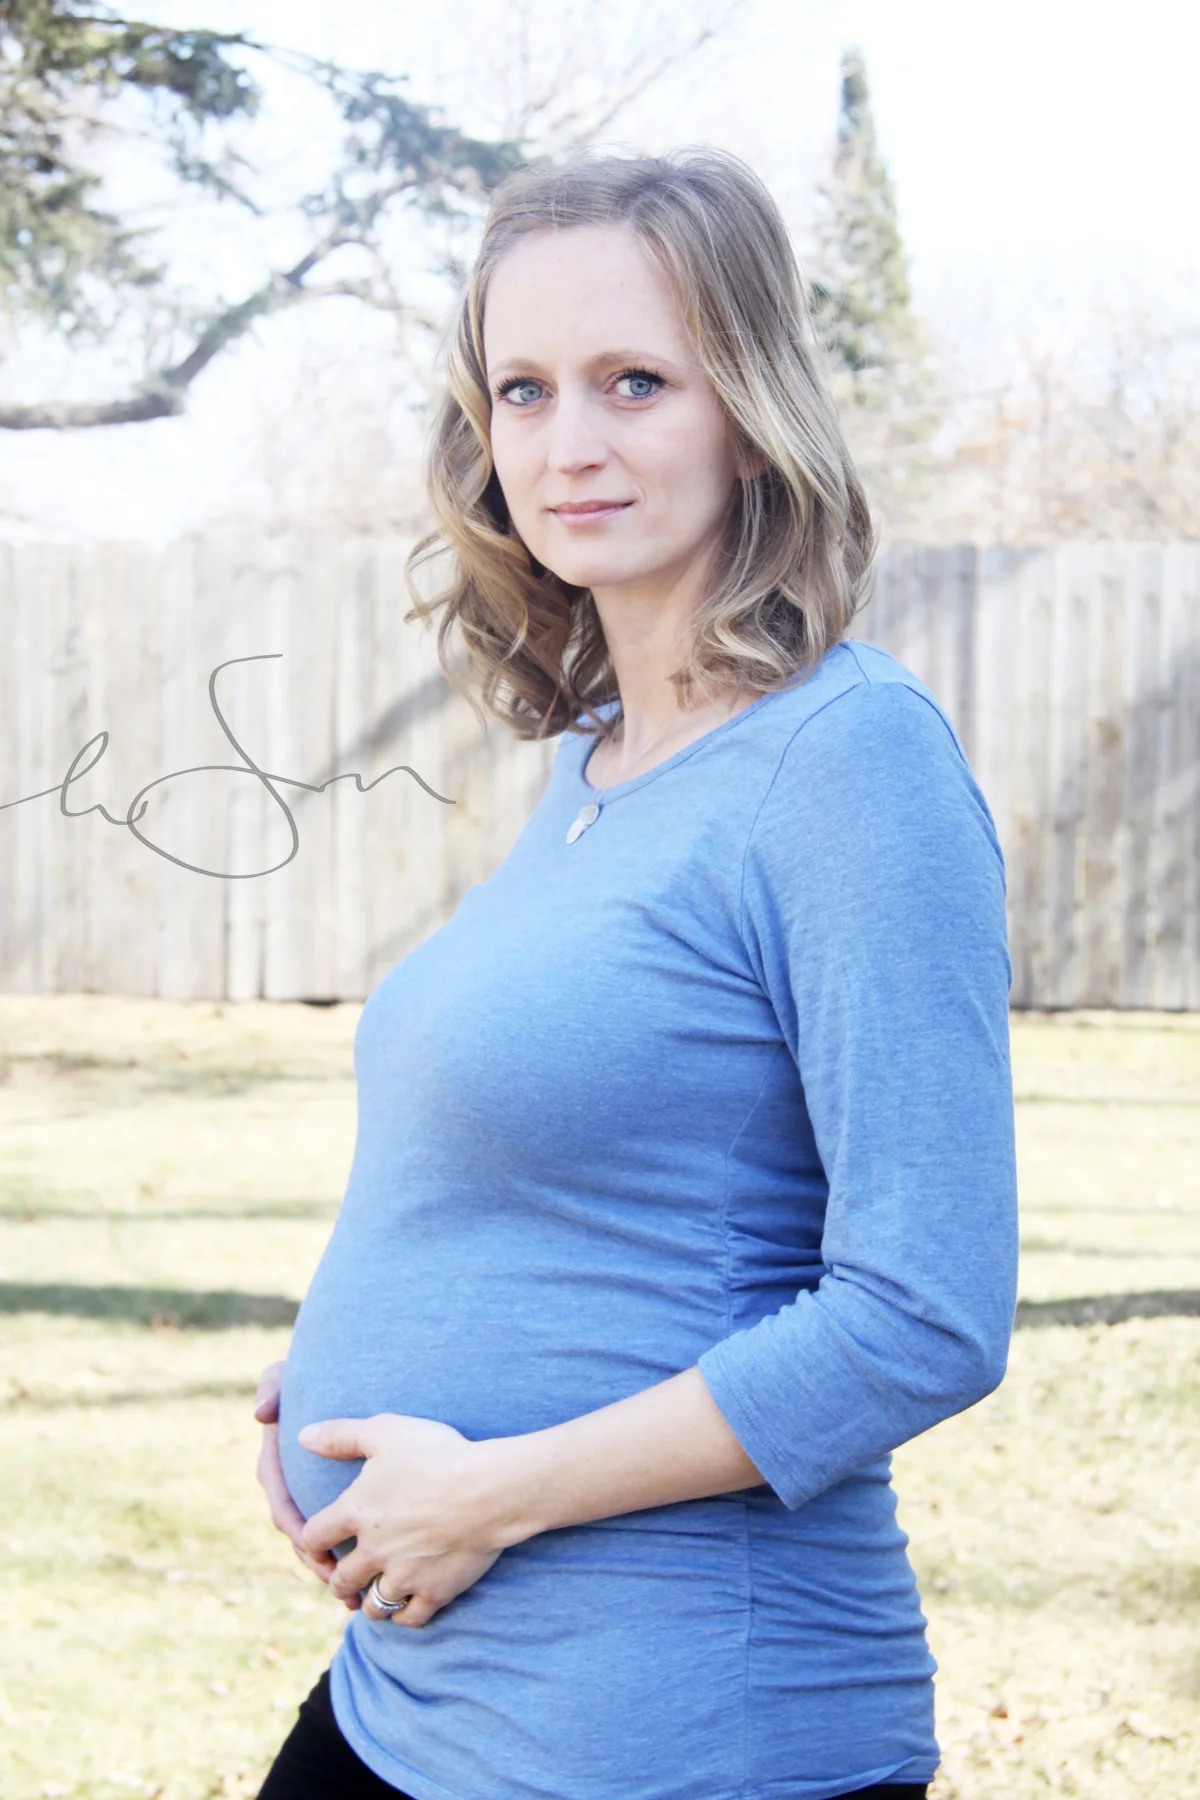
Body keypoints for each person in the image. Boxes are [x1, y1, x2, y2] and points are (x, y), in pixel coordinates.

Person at [252, 148, 1018, 1800]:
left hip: (672, 1730)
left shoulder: (852, 763)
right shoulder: (599, 760)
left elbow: (925, 1314)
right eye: (522, 390)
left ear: (751, 409)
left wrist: (493, 1488)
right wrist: (327, 1379)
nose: (566, 444)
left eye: (635, 382)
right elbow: (570, 1172)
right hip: (419, 1698)